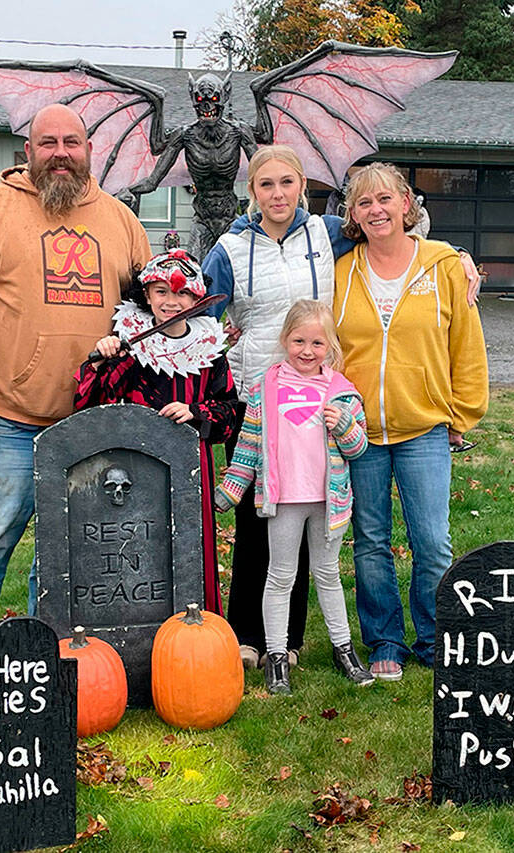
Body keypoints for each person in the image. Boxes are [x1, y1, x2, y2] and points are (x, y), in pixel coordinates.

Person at [202, 145, 482, 671]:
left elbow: (396, 239)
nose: (278, 193)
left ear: (303, 186)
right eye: (266, 185)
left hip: (339, 405)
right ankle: (256, 634)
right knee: (268, 520)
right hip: (261, 393)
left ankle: (309, 639)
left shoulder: (325, 235)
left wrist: (457, 257)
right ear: (253, 192)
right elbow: (199, 308)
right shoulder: (235, 247)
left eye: (288, 182)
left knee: (334, 520)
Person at [0, 103, 151, 707]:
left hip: (90, 422)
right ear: (27, 150)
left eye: (71, 142)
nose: (60, 152)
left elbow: (150, 309)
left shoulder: (120, 220)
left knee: (66, 549)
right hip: (9, 416)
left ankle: (39, 655)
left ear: (89, 151)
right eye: (47, 141)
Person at [332, 162, 489, 682]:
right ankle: (384, 641)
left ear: (405, 204)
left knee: (432, 541)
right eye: (363, 203)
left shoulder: (443, 264)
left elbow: (465, 343)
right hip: (359, 435)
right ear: (352, 215)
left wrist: (462, 413)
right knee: (370, 540)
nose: (376, 210)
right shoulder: (341, 272)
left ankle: (435, 638)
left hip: (424, 428)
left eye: (385, 199)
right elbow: (330, 351)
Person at [215, 300, 373, 694]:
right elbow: (249, 446)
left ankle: (343, 649)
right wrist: (230, 490)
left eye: (317, 343)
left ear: (331, 346)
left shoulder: (343, 393)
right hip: (284, 500)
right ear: (285, 339)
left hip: (327, 501)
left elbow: (359, 449)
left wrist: (346, 427)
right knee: (280, 576)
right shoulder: (267, 387)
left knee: (328, 575)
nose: (307, 350)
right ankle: (277, 656)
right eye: (299, 340)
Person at [75, 249, 240, 614]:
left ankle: (198, 637)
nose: (172, 300)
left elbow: (229, 414)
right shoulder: (131, 344)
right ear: (146, 295)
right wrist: (103, 359)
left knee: (189, 545)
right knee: (138, 545)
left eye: (182, 293)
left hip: (191, 467)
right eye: (162, 291)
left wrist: (195, 412)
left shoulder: (209, 349)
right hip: (136, 466)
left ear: (197, 298)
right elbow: (91, 406)